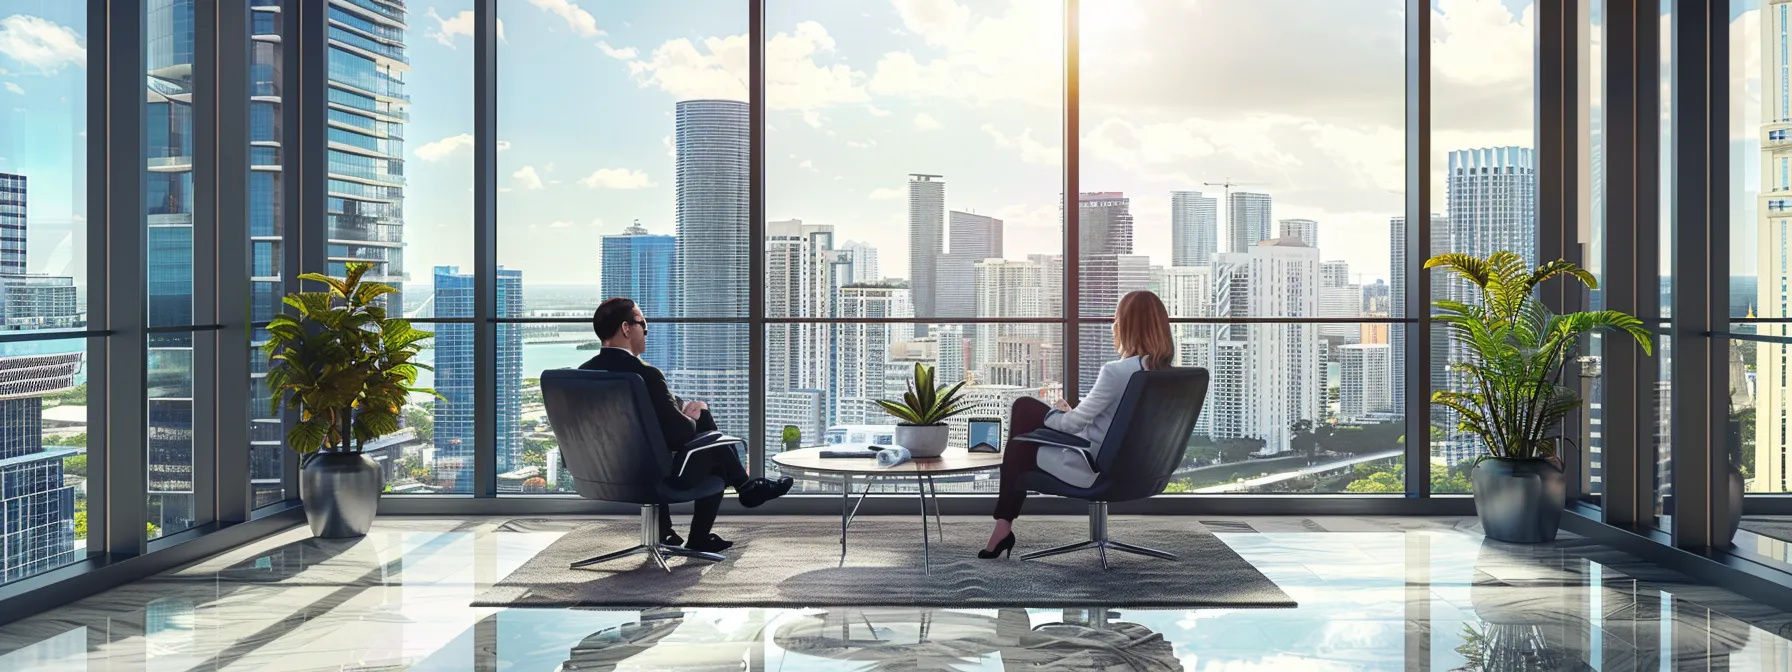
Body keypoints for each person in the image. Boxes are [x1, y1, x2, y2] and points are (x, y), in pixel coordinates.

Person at [580, 298, 793, 553]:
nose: (646, 330)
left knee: (702, 432)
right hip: (654, 476)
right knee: (713, 446)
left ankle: (667, 530)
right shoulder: (645, 374)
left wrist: (677, 409)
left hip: (600, 473)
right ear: (626, 328)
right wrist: (693, 415)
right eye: (643, 323)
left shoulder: (583, 374)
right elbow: (678, 434)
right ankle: (740, 494)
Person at [980, 290, 1175, 559]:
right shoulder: (1169, 375)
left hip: (1094, 468)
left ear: (1127, 326)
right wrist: (1071, 415)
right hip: (1145, 471)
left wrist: (1053, 416)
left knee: (1024, 414)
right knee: (1025, 435)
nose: (1112, 326)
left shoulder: (1116, 372)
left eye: (1116, 319)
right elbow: (1118, 428)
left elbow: (1072, 427)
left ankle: (1002, 527)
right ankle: (1002, 529)